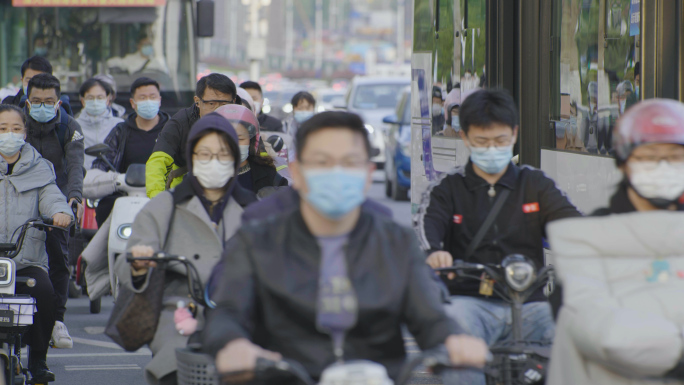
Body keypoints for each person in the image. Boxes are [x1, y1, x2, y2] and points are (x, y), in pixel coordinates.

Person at [202, 111, 489, 382]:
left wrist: (453, 339)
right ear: (297, 173)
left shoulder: (395, 241)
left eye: (349, 163)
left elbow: (430, 317)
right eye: (322, 162)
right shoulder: (257, 240)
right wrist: (233, 344)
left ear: (367, 174)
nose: (336, 173)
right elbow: (227, 311)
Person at [416, 88, 581, 385]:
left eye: (500, 141)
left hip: (531, 303)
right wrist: (434, 253)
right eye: (482, 141)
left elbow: (573, 225)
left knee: (576, 340)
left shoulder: (536, 184)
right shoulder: (447, 188)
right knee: (457, 350)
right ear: (465, 137)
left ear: (514, 134)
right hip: (469, 302)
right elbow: (428, 228)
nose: (492, 148)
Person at [547, 99, 684, 385]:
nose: (662, 167)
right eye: (648, 157)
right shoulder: (590, 240)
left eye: (674, 157)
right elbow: (606, 334)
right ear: (624, 163)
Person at [116, 113, 257, 385]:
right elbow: (127, 265)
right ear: (191, 157)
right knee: (174, 366)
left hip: (241, 311)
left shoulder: (254, 211)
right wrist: (138, 264)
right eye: (204, 153)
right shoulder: (163, 206)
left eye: (222, 153)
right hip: (178, 311)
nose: (213, 162)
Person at [0, 104, 74, 382]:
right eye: (2, 128)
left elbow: (53, 197)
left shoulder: (40, 168)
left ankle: (39, 359)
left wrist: (61, 213)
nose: (9, 134)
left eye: (16, 129)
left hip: (26, 260)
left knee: (44, 292)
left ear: (25, 134)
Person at [24, 73, 84, 349]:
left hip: (54, 202)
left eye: (48, 101)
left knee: (59, 260)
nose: (42, 106)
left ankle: (57, 320)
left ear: (58, 103)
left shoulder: (69, 127)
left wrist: (74, 198)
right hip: (17, 200)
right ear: (27, 102)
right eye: (36, 101)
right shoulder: (16, 124)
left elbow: (74, 166)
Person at [84, 77, 170, 226]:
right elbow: (100, 166)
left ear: (160, 100)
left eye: (152, 97)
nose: (148, 101)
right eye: (142, 98)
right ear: (133, 103)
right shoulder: (120, 131)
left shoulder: (174, 130)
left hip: (164, 198)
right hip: (125, 198)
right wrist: (117, 180)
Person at [146, 73, 242, 198]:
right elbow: (157, 162)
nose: (218, 111)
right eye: (211, 104)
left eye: (224, 104)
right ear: (197, 101)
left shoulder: (242, 119)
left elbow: (259, 155)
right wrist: (157, 199)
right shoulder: (180, 122)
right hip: (187, 188)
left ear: (233, 102)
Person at [214, 104, 288, 195]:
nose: (233, 144)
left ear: (253, 141)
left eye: (240, 139)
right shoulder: (201, 175)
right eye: (226, 139)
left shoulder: (271, 178)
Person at [76, 77, 124, 169]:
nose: (95, 102)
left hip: (113, 179)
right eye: (90, 98)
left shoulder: (119, 125)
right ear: (83, 101)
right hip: (82, 179)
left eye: (100, 97)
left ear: (107, 99)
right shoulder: (74, 126)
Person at [283, 91, 316, 161]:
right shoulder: (287, 126)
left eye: (307, 108)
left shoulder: (319, 126)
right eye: (300, 108)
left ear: (313, 108)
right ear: (293, 109)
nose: (304, 111)